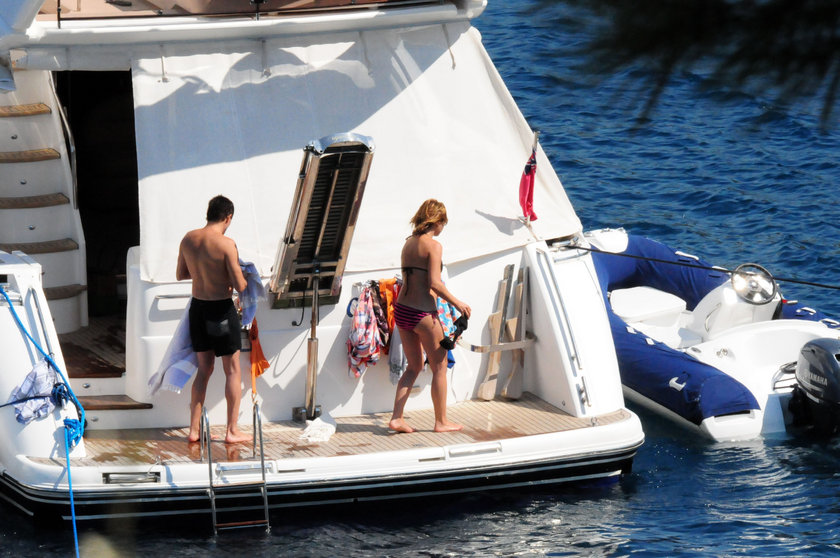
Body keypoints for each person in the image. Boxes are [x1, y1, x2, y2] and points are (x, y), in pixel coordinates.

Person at [389, 199, 471, 433]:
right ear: (437, 221)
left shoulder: (408, 243)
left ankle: (397, 418)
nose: (443, 227)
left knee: (414, 366)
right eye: (443, 222)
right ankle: (441, 422)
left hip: (403, 309)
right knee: (440, 366)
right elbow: (434, 282)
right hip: (423, 313)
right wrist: (458, 303)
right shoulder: (433, 246)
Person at [176, 195, 252, 444]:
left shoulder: (188, 239)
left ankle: (194, 430)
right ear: (228, 217)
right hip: (220, 311)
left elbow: (180, 274)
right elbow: (240, 285)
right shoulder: (227, 244)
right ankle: (232, 431)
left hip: (198, 310)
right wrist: (243, 275)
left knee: (203, 370)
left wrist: (204, 273)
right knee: (232, 370)